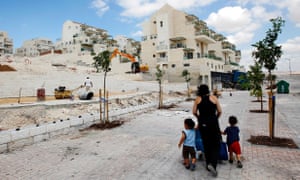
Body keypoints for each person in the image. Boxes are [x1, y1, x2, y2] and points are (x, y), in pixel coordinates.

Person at [193, 84, 222, 177]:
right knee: (216, 143)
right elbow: (220, 111)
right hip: (213, 123)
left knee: (206, 143)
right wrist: (215, 118)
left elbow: (194, 112)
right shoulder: (213, 98)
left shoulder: (197, 99)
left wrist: (199, 118)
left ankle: (207, 164)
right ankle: (212, 164)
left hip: (203, 124)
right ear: (208, 90)